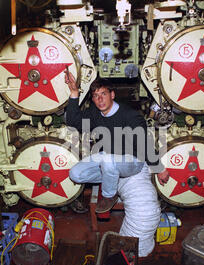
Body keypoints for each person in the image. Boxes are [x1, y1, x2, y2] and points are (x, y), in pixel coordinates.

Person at [64, 70, 170, 213]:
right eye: (95, 96)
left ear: (112, 95)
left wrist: (159, 168)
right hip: (109, 159)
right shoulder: (95, 113)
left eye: (103, 94)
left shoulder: (131, 116)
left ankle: (109, 196)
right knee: (75, 174)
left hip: (132, 161)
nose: (100, 99)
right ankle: (111, 178)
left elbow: (144, 144)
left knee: (108, 161)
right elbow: (73, 121)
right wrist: (74, 92)